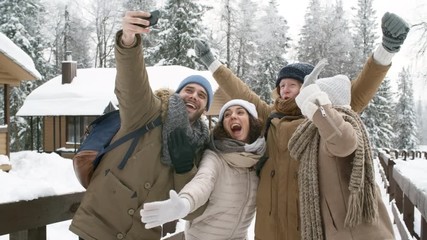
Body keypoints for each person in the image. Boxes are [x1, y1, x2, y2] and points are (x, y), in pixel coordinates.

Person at [194, 12, 410, 240]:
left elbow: (359, 91)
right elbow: (242, 92)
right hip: (270, 228)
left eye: (292, 85)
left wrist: (386, 49)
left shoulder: (322, 116)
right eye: (282, 85)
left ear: (307, 86)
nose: (284, 90)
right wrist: (212, 62)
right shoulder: (271, 117)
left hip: (307, 226)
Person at [69, 10, 213, 240]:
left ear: (205, 108)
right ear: (178, 94)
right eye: (189, 90)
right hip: (97, 228)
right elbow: (132, 81)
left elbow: (194, 210)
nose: (194, 96)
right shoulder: (148, 111)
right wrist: (129, 41)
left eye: (202, 95)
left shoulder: (200, 147)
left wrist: (185, 168)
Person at [289, 59, 394, 239]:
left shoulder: (341, 123)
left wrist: (315, 101)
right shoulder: (320, 130)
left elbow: (344, 142)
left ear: (327, 99)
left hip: (359, 233)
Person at [140, 99, 266, 239]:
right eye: (227, 115)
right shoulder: (216, 157)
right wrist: (185, 202)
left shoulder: (259, 160)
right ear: (223, 125)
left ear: (252, 121)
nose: (233, 116)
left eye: (240, 112)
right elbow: (202, 182)